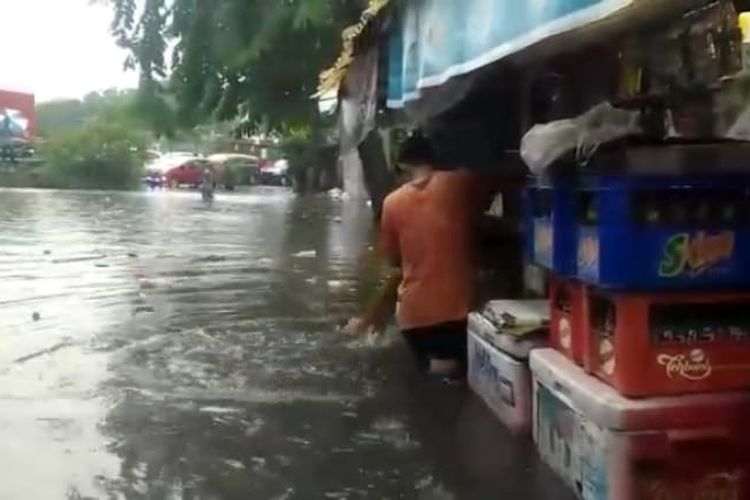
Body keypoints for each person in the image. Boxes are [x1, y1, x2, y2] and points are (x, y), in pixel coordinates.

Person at [346, 134, 493, 378]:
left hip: (412, 319)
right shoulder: (459, 184)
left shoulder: (391, 203)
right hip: (452, 313)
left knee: (427, 380)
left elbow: (395, 263)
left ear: (402, 166)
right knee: (449, 385)